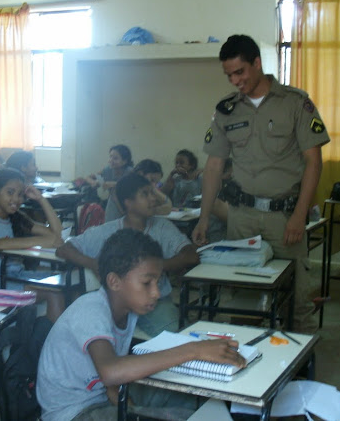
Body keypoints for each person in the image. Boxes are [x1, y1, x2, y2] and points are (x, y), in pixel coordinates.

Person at [192, 34, 330, 334]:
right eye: (229, 75)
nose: (235, 81)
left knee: (296, 299)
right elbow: (214, 165)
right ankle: (248, 365)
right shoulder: (227, 110)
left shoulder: (295, 103)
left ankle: (296, 371)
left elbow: (313, 163)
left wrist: (299, 215)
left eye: (239, 72)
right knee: (242, 297)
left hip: (285, 219)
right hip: (242, 218)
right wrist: (204, 217)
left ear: (257, 63)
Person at [38, 229, 246, 421]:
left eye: (158, 281)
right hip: (74, 414)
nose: (156, 292)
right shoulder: (90, 309)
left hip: (103, 396)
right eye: (147, 283)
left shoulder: (127, 310)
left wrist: (128, 406)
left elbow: (111, 381)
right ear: (114, 282)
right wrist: (193, 350)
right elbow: (110, 371)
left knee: (189, 399)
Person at [57, 173, 198, 336]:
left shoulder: (163, 227)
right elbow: (64, 249)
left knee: (178, 337)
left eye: (152, 193)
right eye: (145, 194)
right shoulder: (107, 231)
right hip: (118, 304)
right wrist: (93, 264)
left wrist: (153, 268)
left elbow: (191, 255)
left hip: (155, 303)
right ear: (128, 203)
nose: (153, 199)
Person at [0, 168, 65, 320]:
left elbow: (57, 234)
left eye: (20, 194)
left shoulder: (17, 218)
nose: (16, 199)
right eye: (10, 192)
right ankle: (53, 342)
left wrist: (40, 199)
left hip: (18, 276)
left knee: (66, 281)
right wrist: (39, 241)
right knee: (54, 291)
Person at [104, 159, 172, 222]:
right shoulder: (124, 188)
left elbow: (167, 208)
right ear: (140, 174)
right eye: (152, 180)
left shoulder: (141, 190)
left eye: (157, 183)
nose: (154, 185)